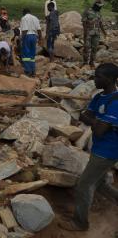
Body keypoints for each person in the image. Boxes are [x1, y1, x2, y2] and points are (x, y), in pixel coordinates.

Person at [59, 63, 118, 232]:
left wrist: (94, 122)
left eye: (99, 76)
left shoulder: (115, 102)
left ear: (110, 79)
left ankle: (80, 223)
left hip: (108, 150)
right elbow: (83, 116)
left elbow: (98, 130)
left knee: (84, 184)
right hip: (100, 147)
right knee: (98, 183)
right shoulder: (99, 97)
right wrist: (97, 122)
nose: (95, 79)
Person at [82, 0, 106, 68]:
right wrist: (85, 32)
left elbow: (100, 23)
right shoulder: (87, 11)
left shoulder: (99, 13)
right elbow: (84, 22)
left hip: (96, 33)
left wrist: (104, 33)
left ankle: (91, 62)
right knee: (86, 47)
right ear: (95, 5)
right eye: (99, 6)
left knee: (94, 48)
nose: (100, 7)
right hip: (88, 33)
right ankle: (85, 62)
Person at [20, 8, 41, 77]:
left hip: (27, 36)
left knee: (26, 55)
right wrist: (40, 39)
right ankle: (33, 70)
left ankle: (28, 71)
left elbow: (25, 30)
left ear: (24, 13)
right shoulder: (35, 18)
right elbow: (39, 30)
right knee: (32, 54)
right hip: (34, 36)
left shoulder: (24, 18)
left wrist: (22, 39)